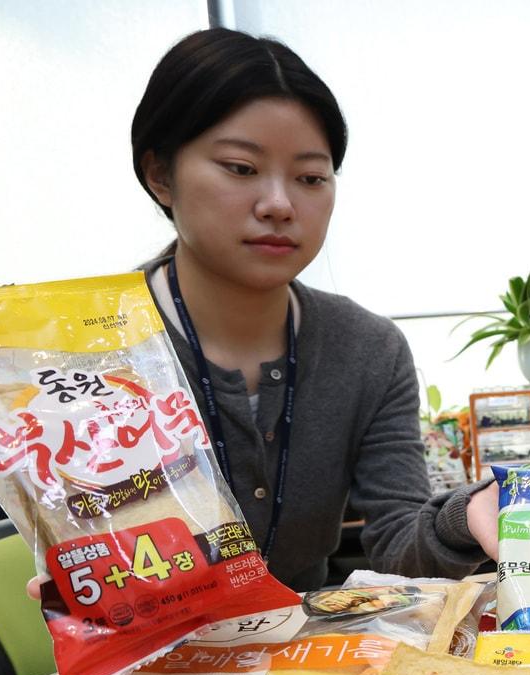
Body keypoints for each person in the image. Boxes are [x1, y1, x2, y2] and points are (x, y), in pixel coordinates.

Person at [111, 28, 497, 591]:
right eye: (241, 168)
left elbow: (394, 547)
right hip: (151, 661)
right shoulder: (87, 344)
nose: (279, 204)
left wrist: (465, 519)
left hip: (311, 662)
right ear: (161, 175)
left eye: (311, 177)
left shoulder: (367, 349)